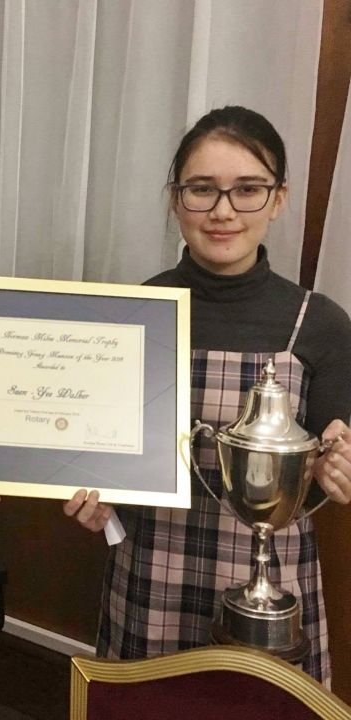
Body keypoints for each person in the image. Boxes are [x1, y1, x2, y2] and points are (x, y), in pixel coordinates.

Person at [64, 106, 351, 686]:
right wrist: (94, 494)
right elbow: (105, 447)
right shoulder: (138, 311)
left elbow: (332, 459)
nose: (223, 211)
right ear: (177, 200)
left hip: (271, 589)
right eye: (202, 189)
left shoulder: (319, 323)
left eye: (247, 189)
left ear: (278, 198)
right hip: (152, 571)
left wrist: (338, 468)